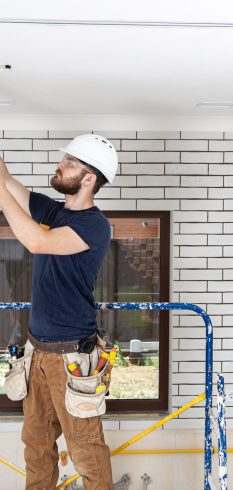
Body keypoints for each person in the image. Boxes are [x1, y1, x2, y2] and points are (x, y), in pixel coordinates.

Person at [0, 134, 118, 490]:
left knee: (85, 452)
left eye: (69, 163)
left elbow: (37, 241)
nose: (59, 165)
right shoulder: (55, 210)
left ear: (88, 179)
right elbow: (7, 182)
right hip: (37, 351)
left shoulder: (94, 225)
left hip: (72, 356)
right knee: (36, 449)